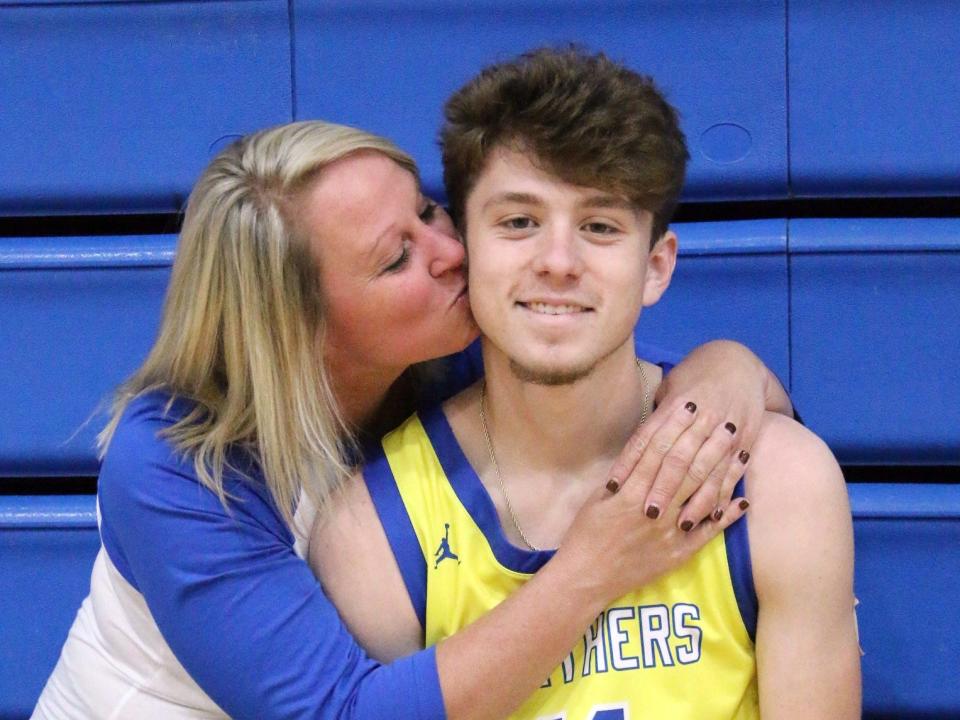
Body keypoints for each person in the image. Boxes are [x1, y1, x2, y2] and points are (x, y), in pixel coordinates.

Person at [34, 118, 793, 720]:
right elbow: (343, 713)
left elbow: (664, 380)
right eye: (398, 258)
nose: (451, 250)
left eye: (429, 210)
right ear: (301, 325)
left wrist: (726, 366)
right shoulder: (173, 465)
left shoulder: (447, 354)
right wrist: (593, 569)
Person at [311, 49, 860, 719]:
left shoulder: (779, 484)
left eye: (599, 227)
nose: (559, 262)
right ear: (465, 252)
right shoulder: (372, 527)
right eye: (519, 222)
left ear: (655, 267)